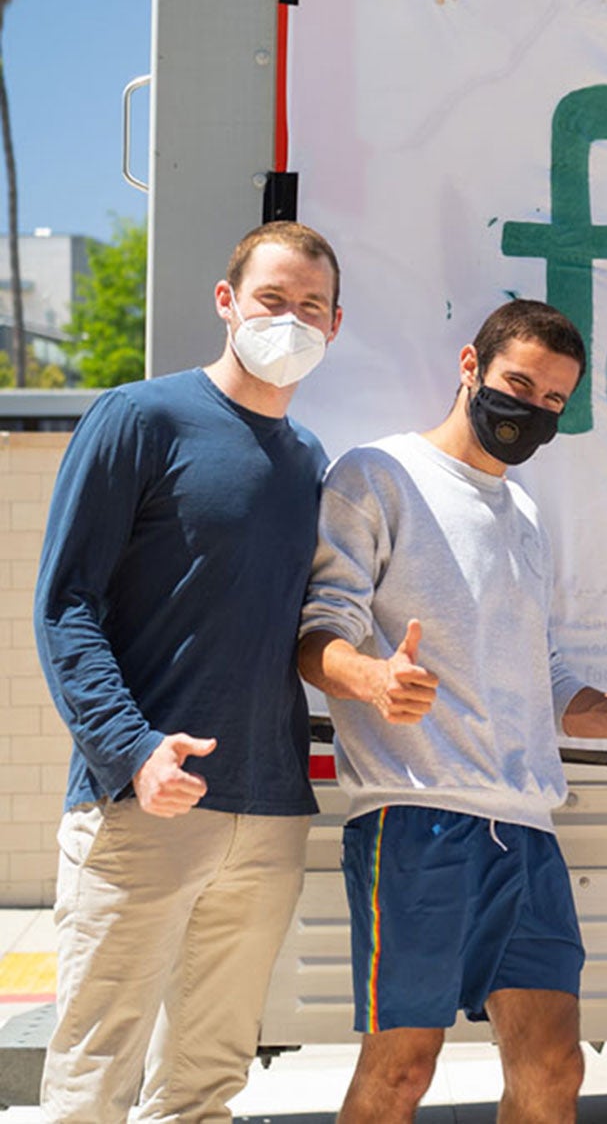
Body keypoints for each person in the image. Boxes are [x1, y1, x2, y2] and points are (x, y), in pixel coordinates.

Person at [296, 299, 607, 1123]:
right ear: (470, 365)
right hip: (415, 818)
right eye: (519, 383)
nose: (532, 409)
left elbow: (548, 678)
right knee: (402, 1071)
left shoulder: (525, 515)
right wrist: (374, 678)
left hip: (526, 831)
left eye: (554, 400)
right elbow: (318, 634)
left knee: (555, 1068)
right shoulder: (376, 474)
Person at [34, 222, 343, 1122]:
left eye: (311, 308)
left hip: (269, 809)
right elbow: (66, 606)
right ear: (227, 302)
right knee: (96, 1072)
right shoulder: (140, 417)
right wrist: (132, 751)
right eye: (272, 301)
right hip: (143, 806)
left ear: (335, 324)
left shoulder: (308, 461)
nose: (291, 321)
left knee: (206, 1083)